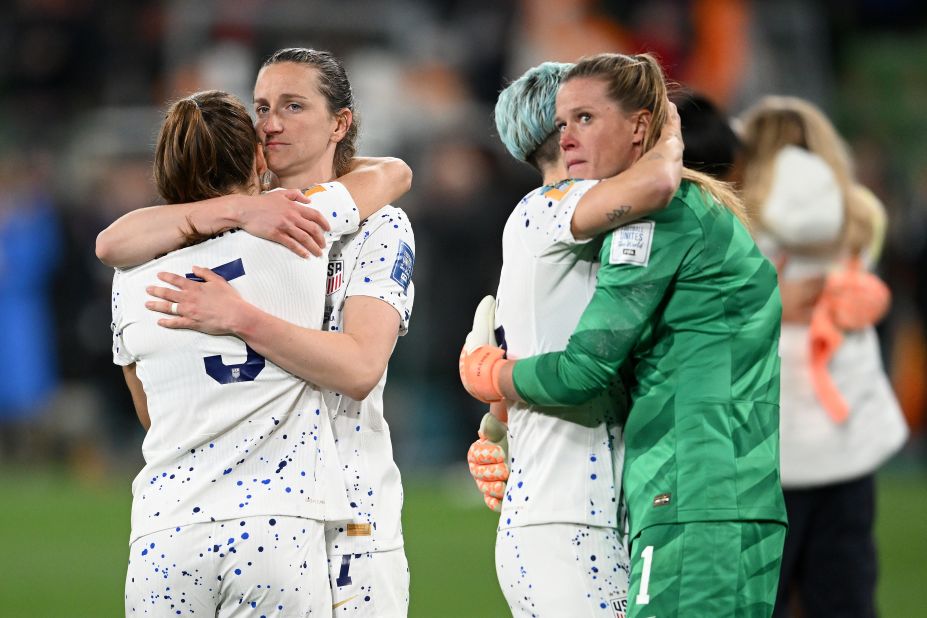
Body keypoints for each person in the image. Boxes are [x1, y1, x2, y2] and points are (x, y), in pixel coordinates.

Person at [460, 52, 788, 617]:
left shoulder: (653, 214)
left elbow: (584, 369)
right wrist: (498, 417)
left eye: (585, 119)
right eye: (562, 123)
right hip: (677, 497)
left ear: (640, 125)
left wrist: (494, 381)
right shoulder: (595, 211)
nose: (569, 138)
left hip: (683, 494)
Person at [98, 48, 416, 616]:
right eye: (263, 106)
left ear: (339, 123)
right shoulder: (225, 227)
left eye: (293, 106)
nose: (271, 123)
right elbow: (112, 240)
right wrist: (241, 212)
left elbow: (361, 368)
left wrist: (237, 315)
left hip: (351, 510)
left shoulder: (379, 223)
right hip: (275, 518)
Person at [464, 61, 683, 616]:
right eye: (579, 115)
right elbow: (658, 181)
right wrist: (667, 129)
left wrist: (495, 427)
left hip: (585, 514)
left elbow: (510, 375)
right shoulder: (546, 212)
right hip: (565, 522)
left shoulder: (561, 235)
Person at [738, 95, 908, 618]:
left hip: (761, 444)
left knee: (757, 596)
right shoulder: (857, 219)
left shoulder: (736, 224)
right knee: (845, 593)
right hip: (845, 442)